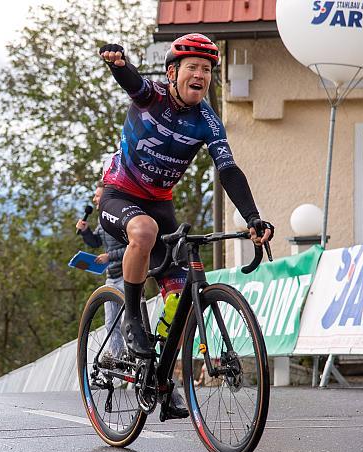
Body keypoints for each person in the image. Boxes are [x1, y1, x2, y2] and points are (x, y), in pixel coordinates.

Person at [98, 33, 274, 360]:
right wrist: (119, 65)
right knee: (144, 231)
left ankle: (161, 382)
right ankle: (133, 319)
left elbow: (228, 170)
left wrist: (252, 217)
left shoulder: (208, 122)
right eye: (191, 67)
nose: (200, 75)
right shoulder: (153, 95)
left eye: (206, 69)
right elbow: (132, 82)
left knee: (182, 302)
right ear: (171, 74)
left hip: (160, 204)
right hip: (120, 195)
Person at [76, 181, 126, 366]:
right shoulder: (102, 219)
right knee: (110, 322)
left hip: (126, 276)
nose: (94, 199)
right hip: (110, 278)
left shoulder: (119, 218)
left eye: (97, 195)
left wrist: (109, 256)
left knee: (128, 323)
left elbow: (133, 247)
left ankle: (138, 361)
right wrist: (85, 231)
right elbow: (96, 242)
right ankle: (116, 359)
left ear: (107, 197)